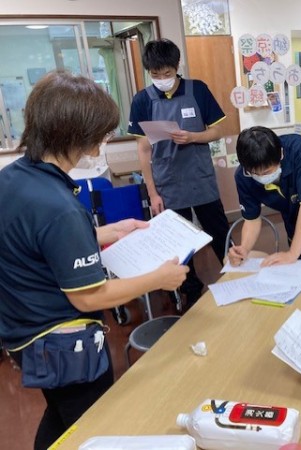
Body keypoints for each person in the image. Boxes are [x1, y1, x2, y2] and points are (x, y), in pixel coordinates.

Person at [0, 71, 188, 450]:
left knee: (61, 416)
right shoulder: (58, 207)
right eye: (102, 133)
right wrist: (159, 278)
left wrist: (109, 231)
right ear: (76, 133)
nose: (104, 140)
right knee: (92, 425)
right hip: (62, 343)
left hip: (22, 328)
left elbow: (37, 242)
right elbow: (89, 296)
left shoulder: (15, 178)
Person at [128, 38, 229, 306]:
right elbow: (143, 150)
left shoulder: (198, 90)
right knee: (179, 243)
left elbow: (218, 130)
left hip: (200, 177)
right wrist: (152, 193)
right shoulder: (142, 100)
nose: (162, 79)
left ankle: (235, 275)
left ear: (177, 66)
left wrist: (194, 137)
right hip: (168, 182)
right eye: (156, 74)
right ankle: (190, 290)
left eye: (167, 73)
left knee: (219, 232)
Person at [228, 126, 301, 266]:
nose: (261, 177)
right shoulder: (243, 176)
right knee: (299, 268)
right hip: (295, 221)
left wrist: (292, 254)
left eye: (267, 172)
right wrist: (244, 248)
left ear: (280, 154)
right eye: (255, 173)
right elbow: (252, 219)